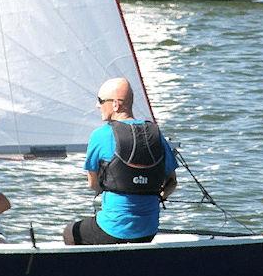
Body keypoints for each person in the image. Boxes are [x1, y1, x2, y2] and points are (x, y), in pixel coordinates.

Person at [63, 77, 178, 245]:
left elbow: (93, 184)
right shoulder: (156, 134)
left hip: (112, 228)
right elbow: (172, 182)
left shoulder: (100, 135)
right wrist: (156, 197)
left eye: (101, 101)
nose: (97, 105)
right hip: (149, 229)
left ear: (116, 104)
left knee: (70, 233)